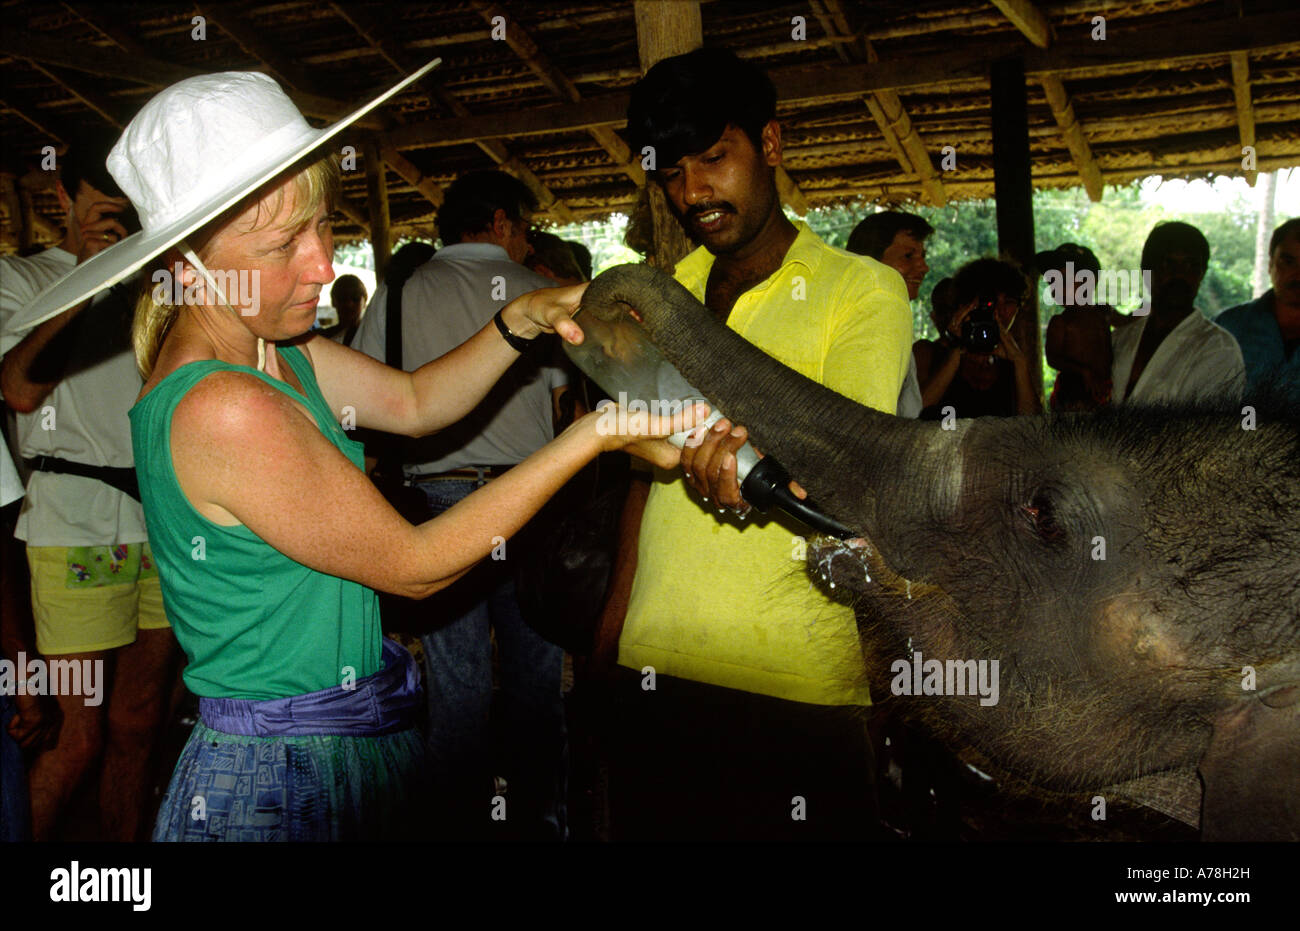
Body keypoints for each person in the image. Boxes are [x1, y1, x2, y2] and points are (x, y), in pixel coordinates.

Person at [16, 63, 702, 842]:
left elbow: (414, 404)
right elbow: (416, 561)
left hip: (344, 742)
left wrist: (525, 317)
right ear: (183, 266)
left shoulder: (282, 351)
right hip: (280, 776)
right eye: (283, 244)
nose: (322, 264)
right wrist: (597, 433)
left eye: (321, 226)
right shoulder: (222, 406)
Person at [599, 48, 912, 841]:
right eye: (673, 172)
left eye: (714, 158)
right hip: (656, 659)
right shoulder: (663, 299)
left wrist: (743, 459)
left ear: (770, 145)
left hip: (796, 673)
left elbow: (845, 464)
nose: (693, 192)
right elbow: (647, 480)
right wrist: (613, 630)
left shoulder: (862, 288)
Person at [350, 170, 573, 841]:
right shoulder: (536, 292)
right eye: (526, 227)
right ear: (502, 222)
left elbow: (364, 403)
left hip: (438, 501)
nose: (526, 240)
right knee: (538, 680)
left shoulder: (399, 292)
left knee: (458, 686)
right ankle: (543, 819)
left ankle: (455, 824)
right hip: (526, 499)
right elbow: (563, 400)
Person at [0, 136, 180, 841]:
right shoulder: (20, 278)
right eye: (101, 199)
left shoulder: (154, 286)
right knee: (75, 736)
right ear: (65, 198)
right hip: (72, 527)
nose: (117, 214)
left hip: (158, 525)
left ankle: (120, 873)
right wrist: (91, 273)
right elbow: (18, 388)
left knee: (139, 723)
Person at [1111, 221, 1244, 405]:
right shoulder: (1120, 338)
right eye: (1168, 264)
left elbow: (1208, 429)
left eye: (1191, 266)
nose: (1179, 275)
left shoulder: (1219, 349)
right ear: (1146, 272)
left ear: (1202, 273)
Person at [915, 258, 1042, 418]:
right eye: (991, 302)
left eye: (1009, 302)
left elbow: (1034, 427)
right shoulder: (929, 352)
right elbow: (914, 415)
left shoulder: (1012, 360)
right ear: (967, 304)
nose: (1000, 311)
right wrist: (956, 350)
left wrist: (1020, 363)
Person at [846, 211, 933, 417]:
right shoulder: (859, 328)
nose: (924, 267)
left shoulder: (893, 323)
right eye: (908, 256)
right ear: (870, 262)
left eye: (923, 256)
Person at [1215, 217, 1300, 403]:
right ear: (1270, 264)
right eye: (1288, 261)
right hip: (1241, 430)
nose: (1297, 273)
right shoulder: (1228, 327)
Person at [1038, 243, 1115, 411]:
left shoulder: (1103, 313)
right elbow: (1052, 358)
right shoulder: (1060, 322)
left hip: (1106, 390)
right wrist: (1083, 372)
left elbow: (1131, 323)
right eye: (1051, 282)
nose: (1055, 289)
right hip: (1073, 392)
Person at [321, 273, 366, 345]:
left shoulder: (371, 337)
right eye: (343, 298)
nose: (349, 304)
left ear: (365, 302)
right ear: (333, 301)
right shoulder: (322, 338)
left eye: (355, 298)